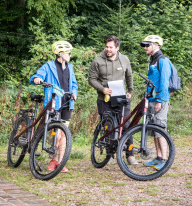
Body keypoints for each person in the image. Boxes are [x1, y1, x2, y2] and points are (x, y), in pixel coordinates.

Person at [88, 35, 138, 165]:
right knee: (108, 127)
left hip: (121, 98)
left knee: (127, 125)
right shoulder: (97, 61)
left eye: (111, 47)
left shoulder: (124, 59)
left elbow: (129, 76)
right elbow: (92, 79)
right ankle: (109, 155)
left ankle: (130, 154)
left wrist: (130, 91)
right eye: (106, 46)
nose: (108, 49)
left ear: (117, 47)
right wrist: (102, 89)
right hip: (104, 99)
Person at [29, 40, 78, 172]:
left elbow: (73, 84)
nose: (70, 55)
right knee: (57, 133)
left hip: (67, 103)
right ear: (61, 54)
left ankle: (59, 162)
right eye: (68, 53)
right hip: (55, 103)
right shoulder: (49, 66)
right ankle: (54, 159)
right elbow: (38, 74)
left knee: (63, 133)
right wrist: (37, 79)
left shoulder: (70, 67)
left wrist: (74, 92)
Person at [140, 35, 172, 171]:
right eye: (145, 45)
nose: (145, 48)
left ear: (156, 45)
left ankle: (164, 159)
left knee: (160, 130)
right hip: (151, 100)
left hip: (160, 100)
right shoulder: (153, 60)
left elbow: (164, 82)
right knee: (153, 130)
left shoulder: (163, 60)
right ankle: (158, 157)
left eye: (148, 45)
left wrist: (159, 100)